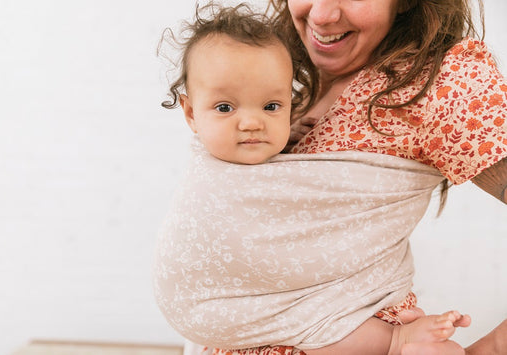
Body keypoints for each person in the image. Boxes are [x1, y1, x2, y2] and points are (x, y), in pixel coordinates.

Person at [153, 3, 480, 355]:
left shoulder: (443, 82)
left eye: (271, 107)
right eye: (224, 108)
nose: (251, 123)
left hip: (318, 314)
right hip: (222, 314)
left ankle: (397, 341)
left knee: (319, 324)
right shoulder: (218, 160)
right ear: (190, 113)